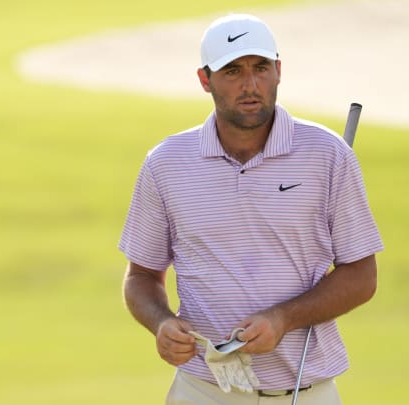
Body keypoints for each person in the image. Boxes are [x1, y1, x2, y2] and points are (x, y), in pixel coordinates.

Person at [119, 13, 383, 404]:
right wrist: (161, 324)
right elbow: (140, 276)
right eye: (233, 71)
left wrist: (283, 319)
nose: (251, 85)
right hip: (203, 391)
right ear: (205, 79)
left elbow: (362, 276)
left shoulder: (328, 155)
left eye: (261, 68)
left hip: (304, 391)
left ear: (278, 71)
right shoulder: (166, 163)